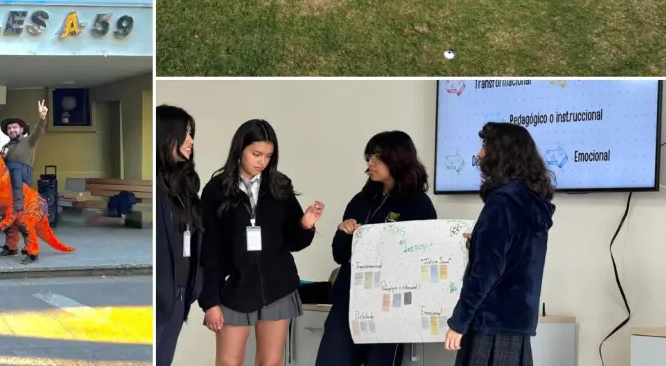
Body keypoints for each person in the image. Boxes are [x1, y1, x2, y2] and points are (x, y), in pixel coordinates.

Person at [199, 119, 324, 366]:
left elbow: (294, 242)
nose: (262, 162)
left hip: (277, 286)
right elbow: (208, 249)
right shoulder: (216, 190)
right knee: (228, 362)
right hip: (233, 288)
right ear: (240, 149)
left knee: (271, 362)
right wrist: (209, 301)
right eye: (256, 154)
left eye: (268, 156)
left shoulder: (279, 186)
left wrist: (305, 225)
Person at [315, 131, 438, 366]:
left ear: (398, 159)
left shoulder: (418, 204)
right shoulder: (361, 200)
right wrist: (343, 231)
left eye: (377, 158)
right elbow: (339, 255)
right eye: (369, 157)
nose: (370, 163)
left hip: (390, 306)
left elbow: (423, 260)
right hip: (349, 302)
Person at [445, 122, 555, 366]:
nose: (479, 154)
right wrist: (478, 243)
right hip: (517, 323)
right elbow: (515, 255)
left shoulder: (501, 203)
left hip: (489, 323)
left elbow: (486, 271)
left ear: (501, 153)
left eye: (485, 147)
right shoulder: (531, 202)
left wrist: (459, 322)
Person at [155, 105, 202, 366]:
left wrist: (197, 283)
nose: (191, 140)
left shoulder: (185, 185)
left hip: (180, 292)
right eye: (185, 133)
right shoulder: (158, 188)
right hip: (160, 294)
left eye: (191, 133)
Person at [0, 100, 49, 222]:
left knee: (15, 168)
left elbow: (38, 131)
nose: (12, 130)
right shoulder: (5, 146)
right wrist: (2, 158)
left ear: (22, 129)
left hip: (23, 173)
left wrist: (42, 118)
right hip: (9, 176)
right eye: (9, 128)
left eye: (15, 127)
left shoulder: (29, 141)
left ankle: (19, 206)